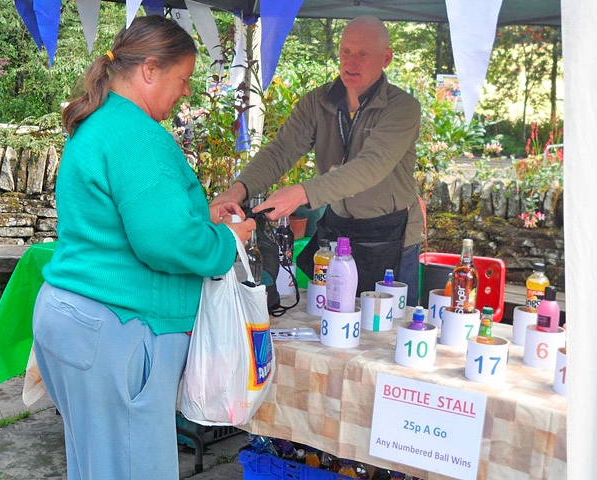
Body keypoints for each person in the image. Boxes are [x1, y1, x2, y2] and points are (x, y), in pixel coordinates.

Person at [32, 16, 255, 480]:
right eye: (184, 79)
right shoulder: (138, 136)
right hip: (118, 330)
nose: (187, 92)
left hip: (79, 322)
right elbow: (164, 242)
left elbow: (127, 220)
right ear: (150, 70)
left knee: (98, 467)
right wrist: (227, 241)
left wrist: (198, 217)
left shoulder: (101, 122)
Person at [212, 16, 423, 305]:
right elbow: (281, 150)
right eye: (346, 51)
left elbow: (369, 167)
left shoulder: (402, 108)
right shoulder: (318, 102)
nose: (352, 62)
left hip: (389, 237)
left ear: (386, 58)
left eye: (363, 54)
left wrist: (301, 194)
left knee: (388, 333)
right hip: (337, 235)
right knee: (325, 321)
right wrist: (236, 191)